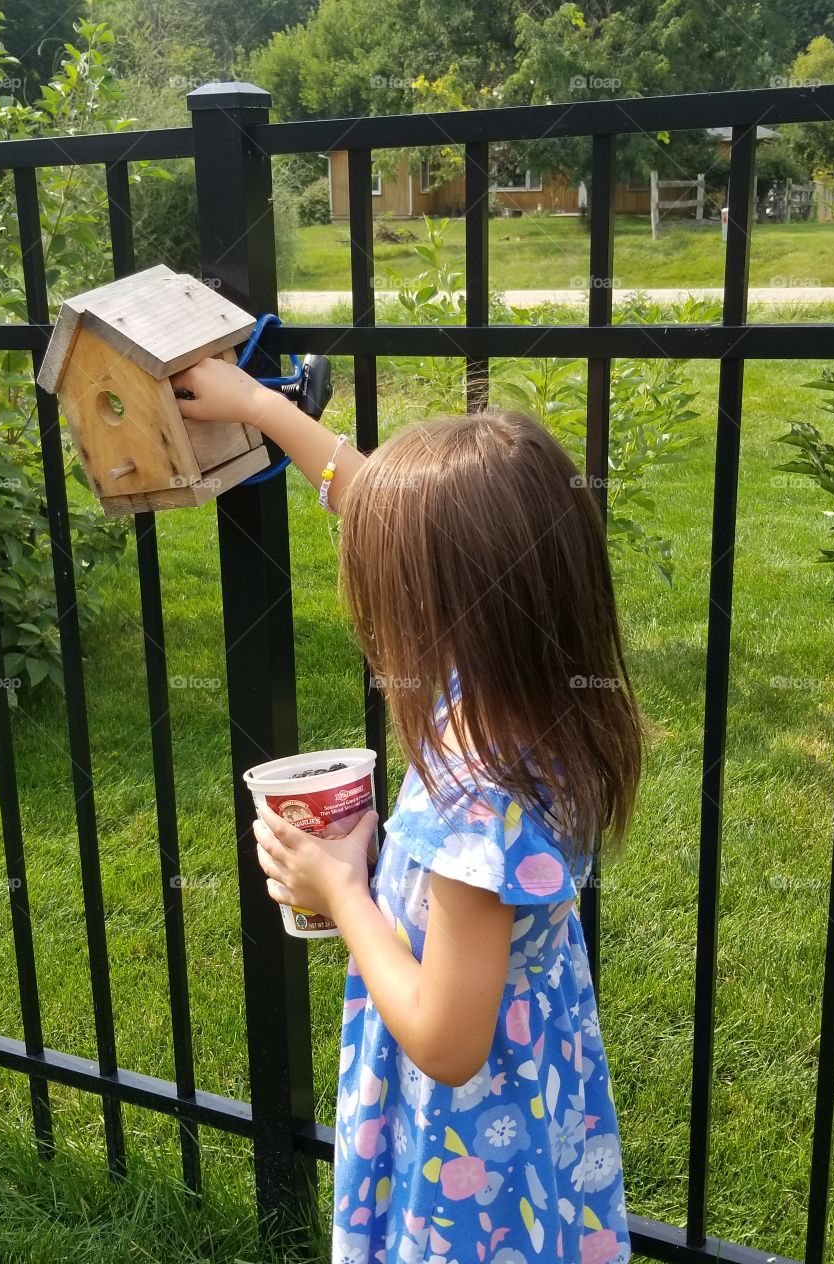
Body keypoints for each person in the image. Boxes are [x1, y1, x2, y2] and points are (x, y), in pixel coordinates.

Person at [171, 355, 646, 1264]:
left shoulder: (476, 790)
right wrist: (260, 406)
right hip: (532, 1100)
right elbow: (373, 501)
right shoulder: (533, 692)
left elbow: (445, 1039)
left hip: (468, 1156)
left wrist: (338, 885)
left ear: (442, 598)